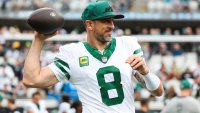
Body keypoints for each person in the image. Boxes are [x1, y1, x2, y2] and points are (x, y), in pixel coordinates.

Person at [23, 1, 164, 113]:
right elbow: (31, 80)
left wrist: (146, 72)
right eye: (106, 21)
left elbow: (158, 91)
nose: (112, 26)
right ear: (90, 24)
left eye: (112, 21)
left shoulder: (128, 44)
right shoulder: (72, 53)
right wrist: (38, 40)